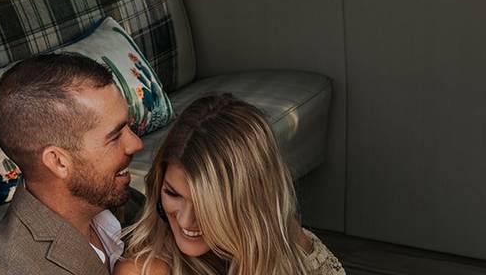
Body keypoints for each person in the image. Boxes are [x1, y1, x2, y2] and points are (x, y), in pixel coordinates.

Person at [114, 94, 345, 275]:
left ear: (248, 200)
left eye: (207, 204)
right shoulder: (144, 270)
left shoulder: (284, 237)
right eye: (173, 194)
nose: (185, 220)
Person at [0, 52, 144, 274]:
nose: (136, 144)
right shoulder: (11, 268)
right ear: (58, 162)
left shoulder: (121, 200)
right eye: (115, 136)